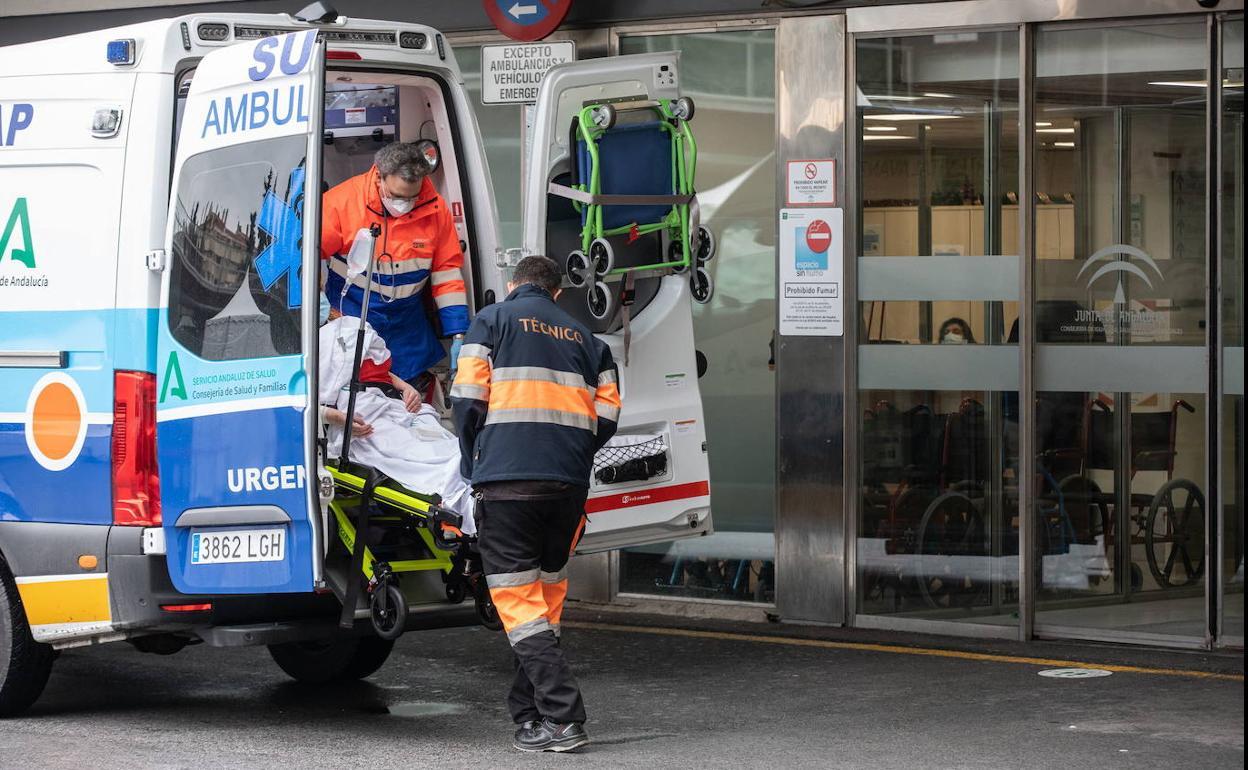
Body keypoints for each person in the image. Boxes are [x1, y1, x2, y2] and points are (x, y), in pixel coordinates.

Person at [450, 255, 621, 753]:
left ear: (511, 285)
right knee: (544, 603)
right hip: (566, 487)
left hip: (507, 485)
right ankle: (529, 713)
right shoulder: (591, 341)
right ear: (558, 293)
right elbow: (607, 415)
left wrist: (473, 458)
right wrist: (569, 452)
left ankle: (565, 719)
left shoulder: (492, 320)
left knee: (520, 606)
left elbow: (466, 399)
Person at [321, 141, 469, 397]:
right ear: (379, 177)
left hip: (406, 328)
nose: (406, 204)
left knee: (411, 408)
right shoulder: (340, 204)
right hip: (350, 320)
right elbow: (303, 259)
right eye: (398, 196)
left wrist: (458, 334)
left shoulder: (434, 209)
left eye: (413, 196)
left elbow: (447, 274)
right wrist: (317, 310)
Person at [320, 306, 475, 528]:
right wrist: (338, 418)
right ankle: (457, 474)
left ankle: (466, 463)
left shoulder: (348, 326)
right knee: (408, 448)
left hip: (389, 404)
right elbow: (299, 404)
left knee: (429, 429)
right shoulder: (299, 343)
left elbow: (373, 368)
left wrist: (405, 388)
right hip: (361, 416)